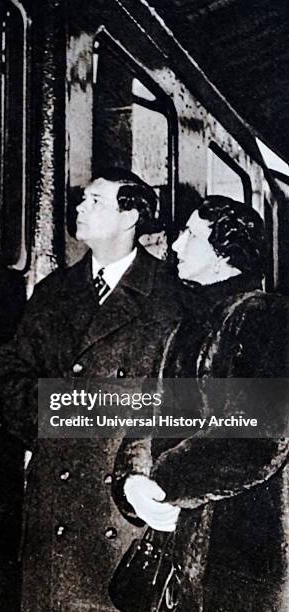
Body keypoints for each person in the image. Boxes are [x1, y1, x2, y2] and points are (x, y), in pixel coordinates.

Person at [0, 168, 182, 611]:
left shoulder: (170, 298)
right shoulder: (53, 292)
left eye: (95, 201)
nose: (79, 207)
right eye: (82, 199)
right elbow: (12, 372)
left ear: (130, 215)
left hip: (125, 510)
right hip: (54, 503)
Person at [113, 196, 289, 611]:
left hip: (243, 552)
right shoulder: (191, 326)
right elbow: (150, 417)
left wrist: (163, 485)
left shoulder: (266, 316)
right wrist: (132, 481)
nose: (175, 245)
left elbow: (261, 434)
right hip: (185, 544)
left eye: (191, 234)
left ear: (224, 254)